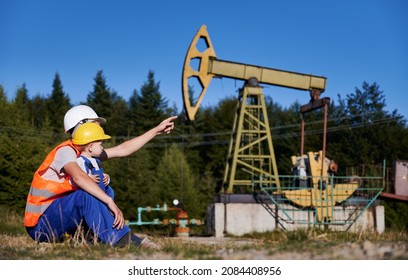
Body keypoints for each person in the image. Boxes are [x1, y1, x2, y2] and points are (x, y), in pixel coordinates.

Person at [24, 105, 177, 249]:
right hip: (42, 224)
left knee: (101, 188)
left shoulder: (87, 153)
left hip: (60, 217)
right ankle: (124, 239)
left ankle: (89, 237)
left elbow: (122, 149)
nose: (99, 128)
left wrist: (156, 130)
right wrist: (109, 201)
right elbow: (78, 177)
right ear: (82, 125)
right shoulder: (65, 151)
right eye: (95, 124)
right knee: (87, 194)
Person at [72, 122, 114, 199]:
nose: (102, 147)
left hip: (99, 198)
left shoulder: (96, 161)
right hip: (89, 200)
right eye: (100, 145)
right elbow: (73, 180)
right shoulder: (80, 161)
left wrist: (105, 177)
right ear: (90, 147)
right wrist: (87, 179)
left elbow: (98, 175)